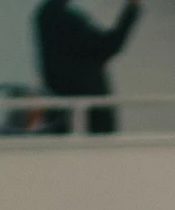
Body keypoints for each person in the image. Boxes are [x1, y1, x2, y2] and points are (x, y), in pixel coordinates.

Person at [34, 0, 142, 134]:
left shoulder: (46, 16)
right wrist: (132, 9)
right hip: (89, 105)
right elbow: (108, 46)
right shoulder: (64, 19)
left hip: (64, 104)